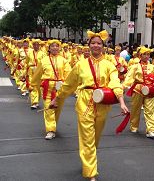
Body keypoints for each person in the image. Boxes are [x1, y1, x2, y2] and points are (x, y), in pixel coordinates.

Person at [50, 30, 129, 181]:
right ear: (89, 45)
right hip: (84, 103)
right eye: (93, 43)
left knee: (95, 138)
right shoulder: (80, 65)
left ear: (103, 46)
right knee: (87, 139)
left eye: (99, 43)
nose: (96, 45)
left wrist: (122, 102)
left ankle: (88, 161)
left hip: (103, 104)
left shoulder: (109, 65)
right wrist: (57, 99)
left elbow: (115, 83)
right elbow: (68, 85)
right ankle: (90, 173)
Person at [31, 39, 72, 140]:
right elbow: (38, 74)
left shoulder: (64, 60)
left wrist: (67, 86)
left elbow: (69, 74)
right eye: (52, 46)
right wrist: (33, 85)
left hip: (60, 88)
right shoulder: (44, 60)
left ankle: (53, 125)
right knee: (49, 108)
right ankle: (50, 130)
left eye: (56, 46)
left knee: (57, 109)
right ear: (48, 48)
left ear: (59, 48)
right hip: (47, 87)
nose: (54, 48)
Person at [123, 47, 154, 138]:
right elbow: (129, 78)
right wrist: (123, 87)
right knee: (135, 109)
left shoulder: (152, 67)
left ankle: (151, 130)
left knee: (150, 110)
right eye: (144, 54)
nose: (146, 56)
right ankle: (134, 126)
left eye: (148, 54)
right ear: (140, 56)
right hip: (138, 89)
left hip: (150, 90)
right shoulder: (135, 66)